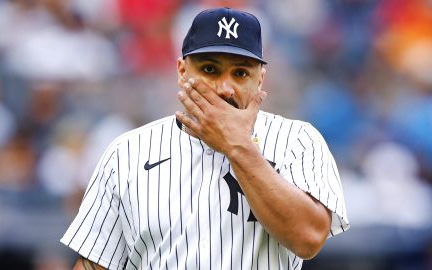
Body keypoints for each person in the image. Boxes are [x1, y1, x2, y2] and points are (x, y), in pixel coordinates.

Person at [61, 7, 349, 270]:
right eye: (210, 69)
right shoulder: (128, 152)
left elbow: (308, 239)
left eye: (240, 73)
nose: (225, 88)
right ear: (182, 71)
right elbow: (93, 265)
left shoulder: (297, 141)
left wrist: (237, 146)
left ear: (260, 79)